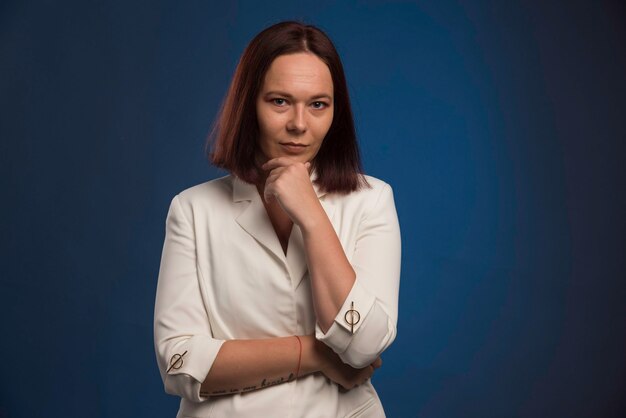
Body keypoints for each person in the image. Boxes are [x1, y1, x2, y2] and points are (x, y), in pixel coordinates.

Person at [153, 21, 401, 417]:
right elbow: (179, 363)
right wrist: (315, 354)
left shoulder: (371, 200)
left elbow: (362, 347)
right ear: (249, 104)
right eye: (280, 101)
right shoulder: (193, 209)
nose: (299, 124)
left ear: (336, 112)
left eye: (318, 104)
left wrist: (312, 216)